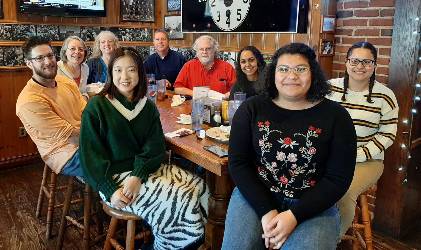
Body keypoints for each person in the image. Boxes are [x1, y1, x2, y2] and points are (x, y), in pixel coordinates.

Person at [222, 43, 357, 249]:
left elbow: (338, 179)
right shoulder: (251, 108)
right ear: (272, 74)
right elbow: (238, 164)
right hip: (256, 194)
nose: (291, 76)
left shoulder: (337, 116)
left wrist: (294, 216)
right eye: (283, 69)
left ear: (313, 73)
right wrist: (266, 210)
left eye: (300, 69)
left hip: (314, 204)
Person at [79, 47, 208, 249]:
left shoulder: (146, 106)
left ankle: (190, 242)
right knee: (182, 198)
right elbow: (90, 157)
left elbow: (155, 146)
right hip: (113, 179)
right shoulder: (97, 107)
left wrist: (137, 175)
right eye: (118, 70)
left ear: (140, 73)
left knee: (200, 187)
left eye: (131, 70)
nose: (124, 76)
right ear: (110, 74)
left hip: (145, 170)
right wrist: (110, 190)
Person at [326, 41, 399, 237]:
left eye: (367, 62)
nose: (360, 66)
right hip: (329, 157)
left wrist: (357, 155)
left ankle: (330, 240)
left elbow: (388, 133)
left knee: (344, 191)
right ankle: (307, 231)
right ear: (347, 62)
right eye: (355, 60)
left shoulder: (385, 96)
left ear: (375, 65)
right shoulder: (329, 89)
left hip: (367, 161)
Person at [16, 36, 86, 177]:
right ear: (29, 63)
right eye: (40, 58)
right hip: (65, 154)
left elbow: (87, 113)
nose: (48, 62)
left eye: (49, 56)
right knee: (118, 156)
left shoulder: (66, 82)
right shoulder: (29, 101)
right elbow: (70, 137)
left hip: (85, 139)